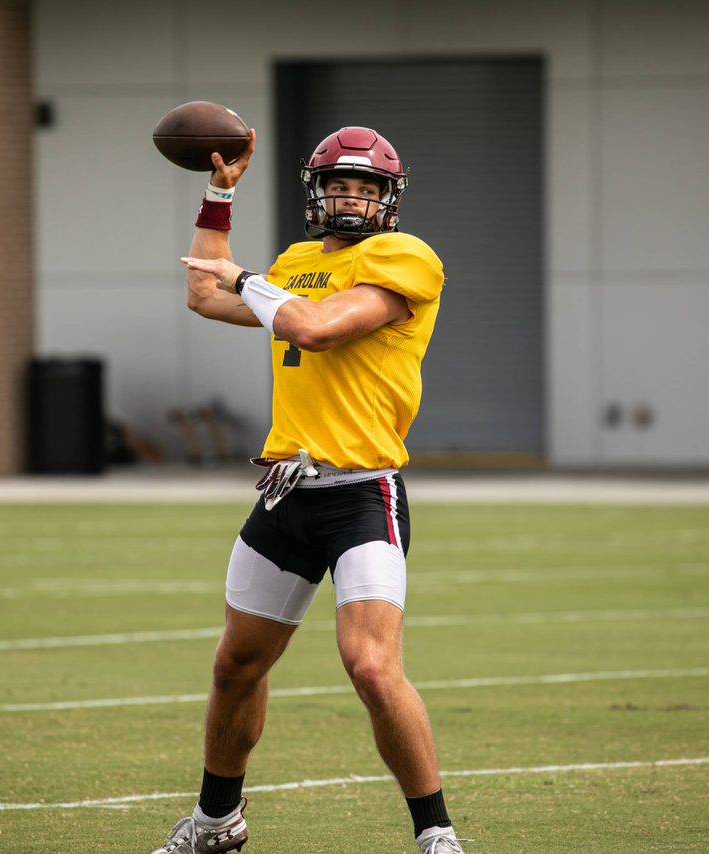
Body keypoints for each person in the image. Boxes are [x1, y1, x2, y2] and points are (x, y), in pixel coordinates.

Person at [153, 125, 462, 854]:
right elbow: (205, 291)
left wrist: (248, 282)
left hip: (362, 495)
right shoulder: (293, 262)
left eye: (367, 186)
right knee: (237, 664)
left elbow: (319, 328)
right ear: (316, 191)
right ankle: (215, 821)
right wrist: (218, 194)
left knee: (372, 667)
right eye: (339, 183)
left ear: (390, 198)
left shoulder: (405, 257)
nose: (351, 197)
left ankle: (437, 835)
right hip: (287, 494)